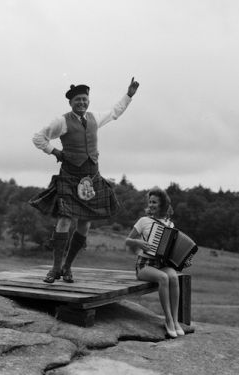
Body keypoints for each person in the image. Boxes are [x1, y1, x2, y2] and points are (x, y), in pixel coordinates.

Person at [30, 77, 139, 283]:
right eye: (78, 100)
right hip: (70, 176)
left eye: (85, 99)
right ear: (70, 103)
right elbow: (38, 137)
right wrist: (54, 151)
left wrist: (129, 95)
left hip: (92, 175)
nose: (82, 102)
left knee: (85, 224)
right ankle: (55, 269)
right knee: (64, 219)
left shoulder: (95, 117)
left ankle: (68, 268)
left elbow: (115, 112)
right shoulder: (61, 121)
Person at [125, 187, 185, 338]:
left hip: (161, 264)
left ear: (163, 204)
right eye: (150, 202)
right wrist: (139, 243)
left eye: (155, 202)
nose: (151, 205)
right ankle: (168, 319)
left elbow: (171, 248)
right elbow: (127, 240)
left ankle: (176, 320)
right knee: (163, 278)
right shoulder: (143, 221)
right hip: (144, 265)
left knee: (174, 277)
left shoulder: (169, 225)